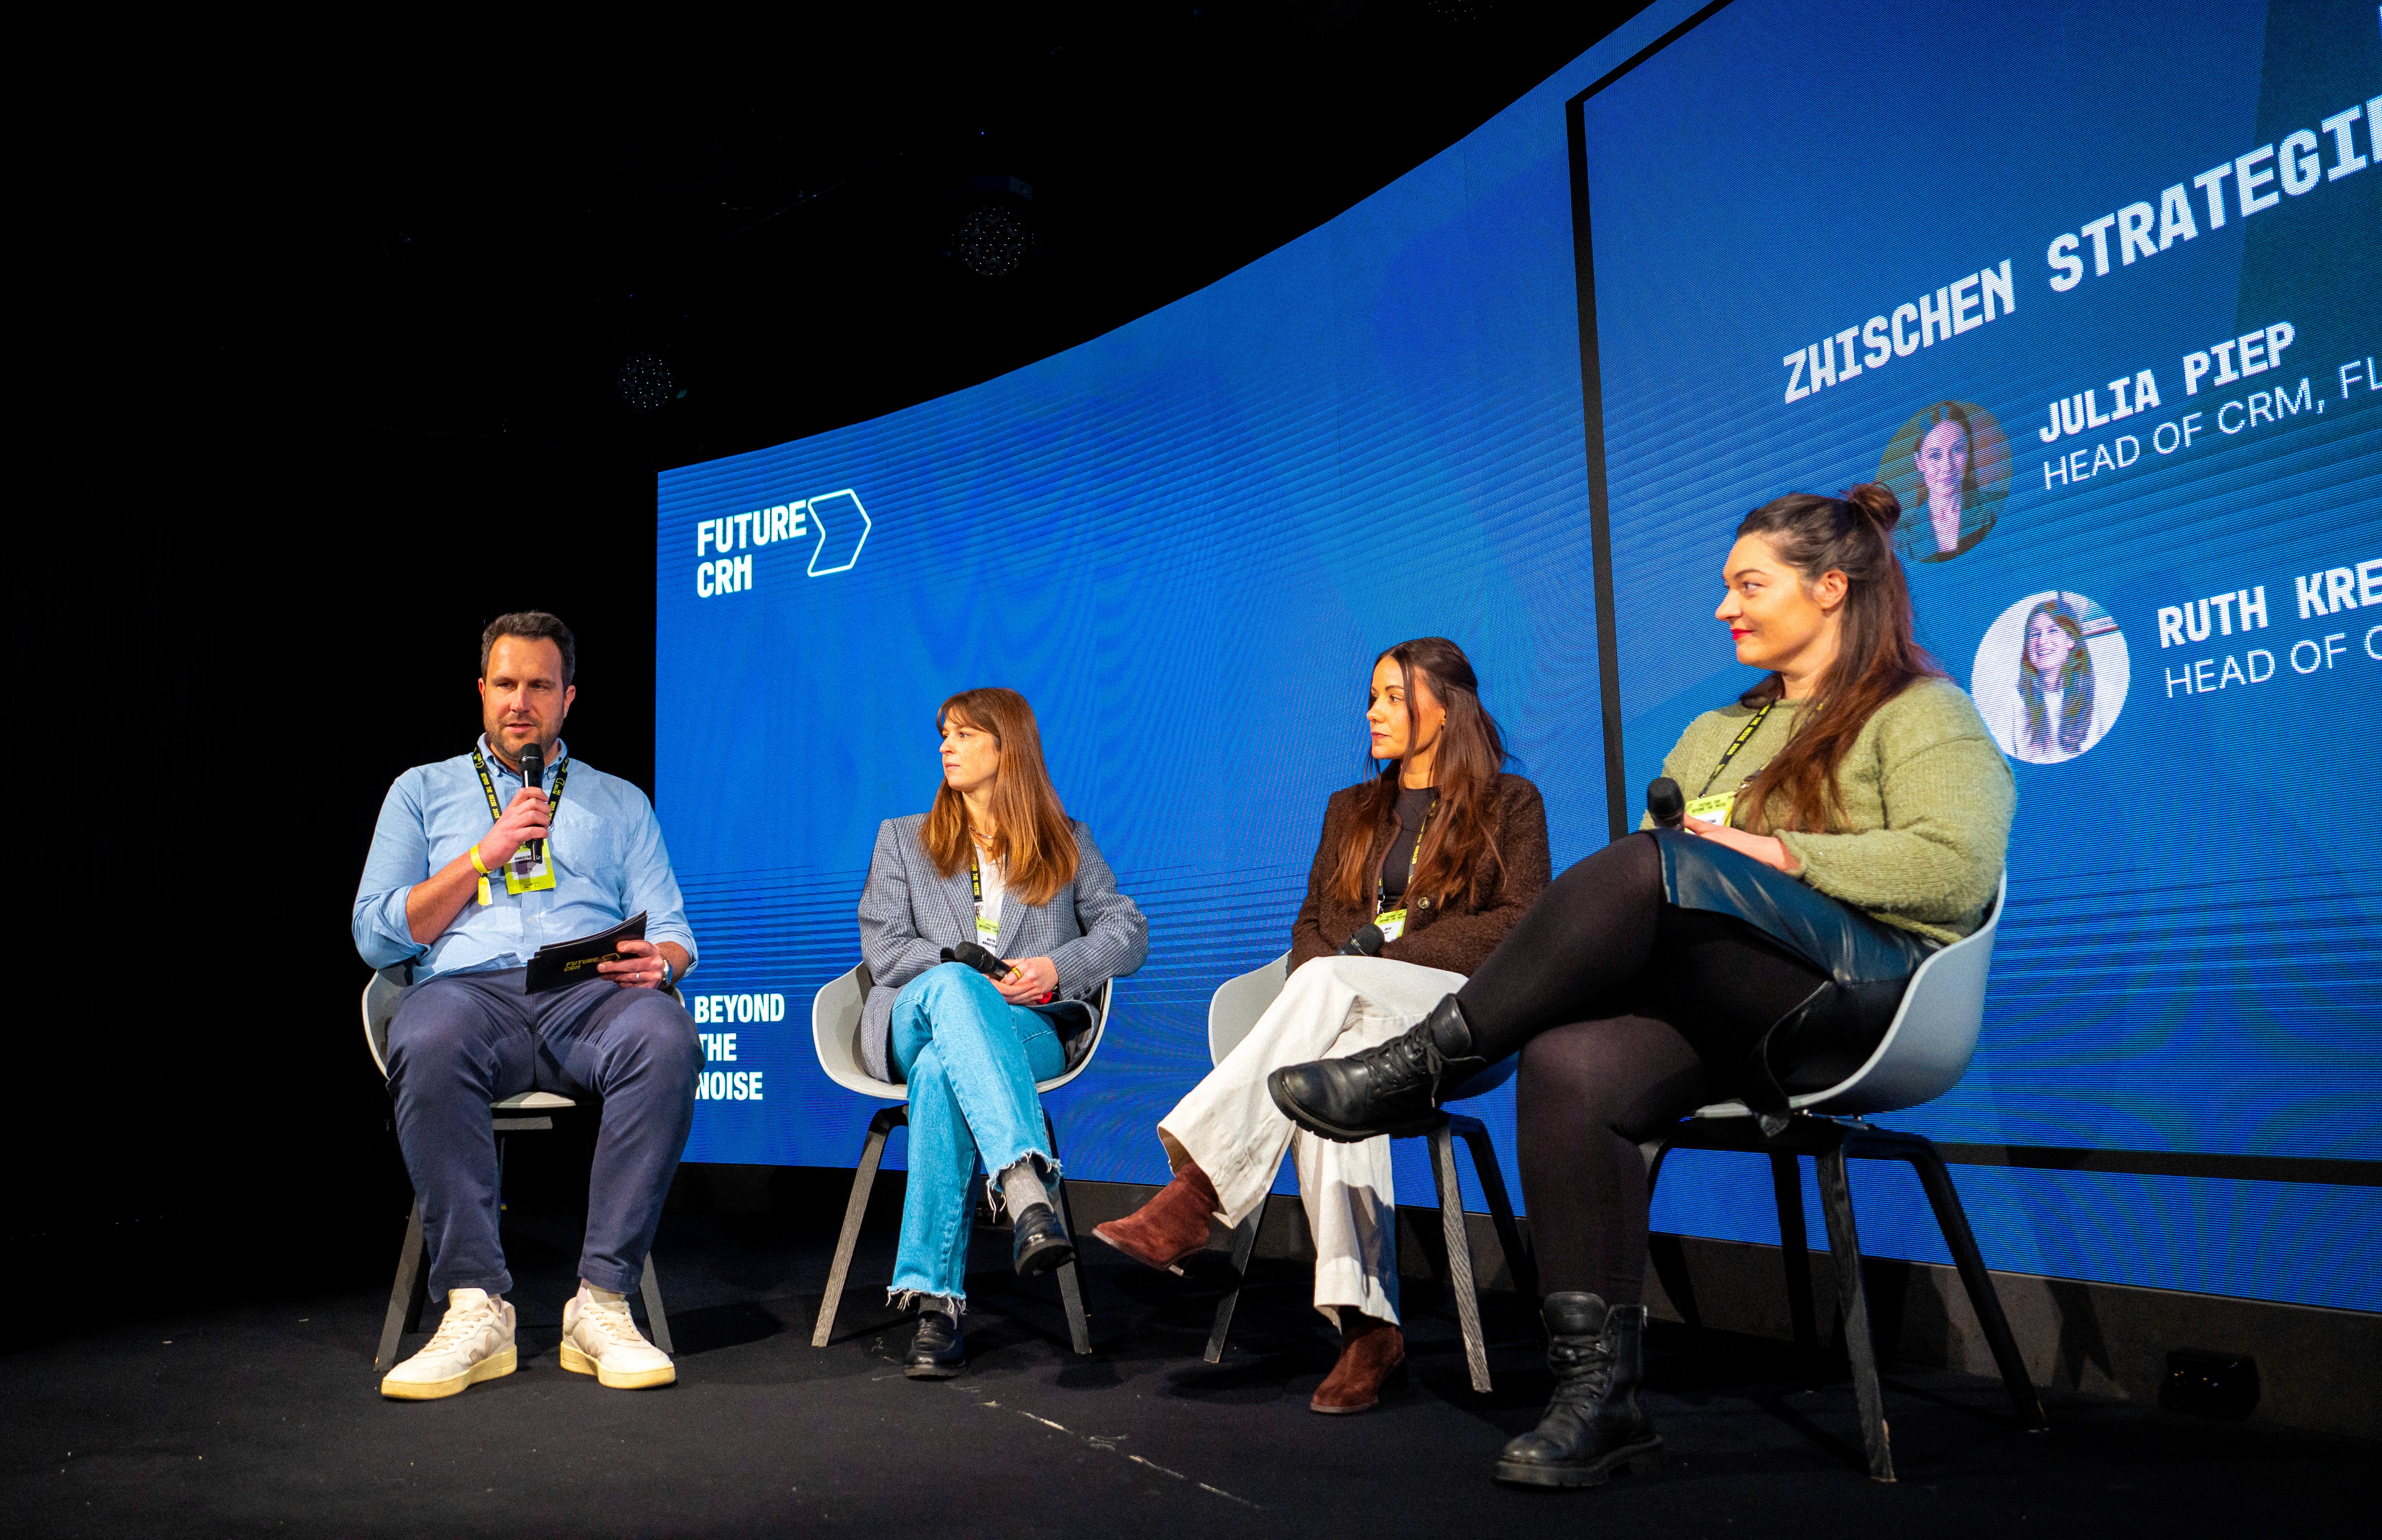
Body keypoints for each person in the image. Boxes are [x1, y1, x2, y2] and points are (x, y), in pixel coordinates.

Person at [1267, 486, 2010, 1485]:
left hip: (1860, 998)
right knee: (1572, 1060)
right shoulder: (1717, 729)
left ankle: (1427, 1059)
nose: (1724, 608)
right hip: (1732, 1004)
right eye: (1724, 587)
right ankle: (1598, 1397)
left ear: (1832, 588)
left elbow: (1957, 869)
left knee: (1640, 861)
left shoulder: (1923, 712)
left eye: (1748, 585)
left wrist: (1779, 853)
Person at [1092, 639, 1549, 1414]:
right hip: (1351, 1014)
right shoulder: (1352, 808)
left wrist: (1372, 956)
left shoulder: (1511, 801)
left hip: (1455, 1011)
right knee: (1333, 1072)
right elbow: (1314, 920)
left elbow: (1513, 924)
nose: (1370, 711)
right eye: (1370, 695)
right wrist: (1336, 968)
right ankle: (1368, 1326)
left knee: (1332, 985)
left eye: (1391, 696)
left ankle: (1199, 1186)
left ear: (1447, 707)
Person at [352, 611, 701, 1401]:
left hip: (589, 992)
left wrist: (662, 959)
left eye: (539, 685)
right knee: (425, 1034)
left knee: (669, 1036)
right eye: (505, 683)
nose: (521, 701)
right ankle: (477, 1307)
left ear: (567, 698)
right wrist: (485, 854)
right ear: (481, 691)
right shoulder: (423, 791)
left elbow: (674, 927)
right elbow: (377, 935)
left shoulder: (619, 802)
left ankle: (602, 1304)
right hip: (470, 993)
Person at [854, 687, 1148, 1378]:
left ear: (1004, 746)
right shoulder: (903, 837)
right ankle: (1024, 1190)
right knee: (954, 988)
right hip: (914, 1014)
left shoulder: (1066, 841)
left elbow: (1128, 932)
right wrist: (965, 971)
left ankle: (935, 1307)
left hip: (1026, 1027)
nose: (944, 746)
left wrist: (1054, 966)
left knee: (939, 1076)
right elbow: (888, 950)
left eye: (961, 733)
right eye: (942, 734)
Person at [1985, 598, 2094, 763]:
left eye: (2053, 631)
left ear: (2071, 640)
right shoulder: (2012, 701)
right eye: (2035, 634)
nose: (2042, 641)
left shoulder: (2102, 695)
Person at [1897, 402, 1998, 562]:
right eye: (1935, 455)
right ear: (1920, 462)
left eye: (1957, 450)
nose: (1947, 466)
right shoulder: (1902, 538)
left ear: (1968, 453)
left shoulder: (1993, 511)